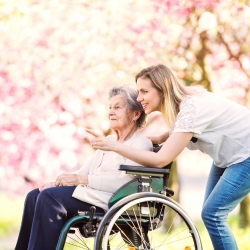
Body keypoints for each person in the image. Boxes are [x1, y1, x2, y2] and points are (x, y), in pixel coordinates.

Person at [88, 64, 250, 250]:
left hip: (246, 154)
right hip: (229, 156)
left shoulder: (192, 109)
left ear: (162, 89)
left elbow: (161, 159)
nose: (139, 98)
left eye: (144, 91)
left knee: (213, 214)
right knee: (211, 214)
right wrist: (163, 137)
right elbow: (187, 124)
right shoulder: (184, 104)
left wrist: (116, 147)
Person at [15, 85, 152, 250]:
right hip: (91, 194)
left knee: (49, 198)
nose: (110, 112)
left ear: (136, 114)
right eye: (110, 107)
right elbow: (83, 172)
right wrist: (59, 182)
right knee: (34, 195)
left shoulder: (141, 144)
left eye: (117, 107)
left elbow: (124, 184)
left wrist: (84, 180)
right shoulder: (109, 140)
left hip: (110, 200)